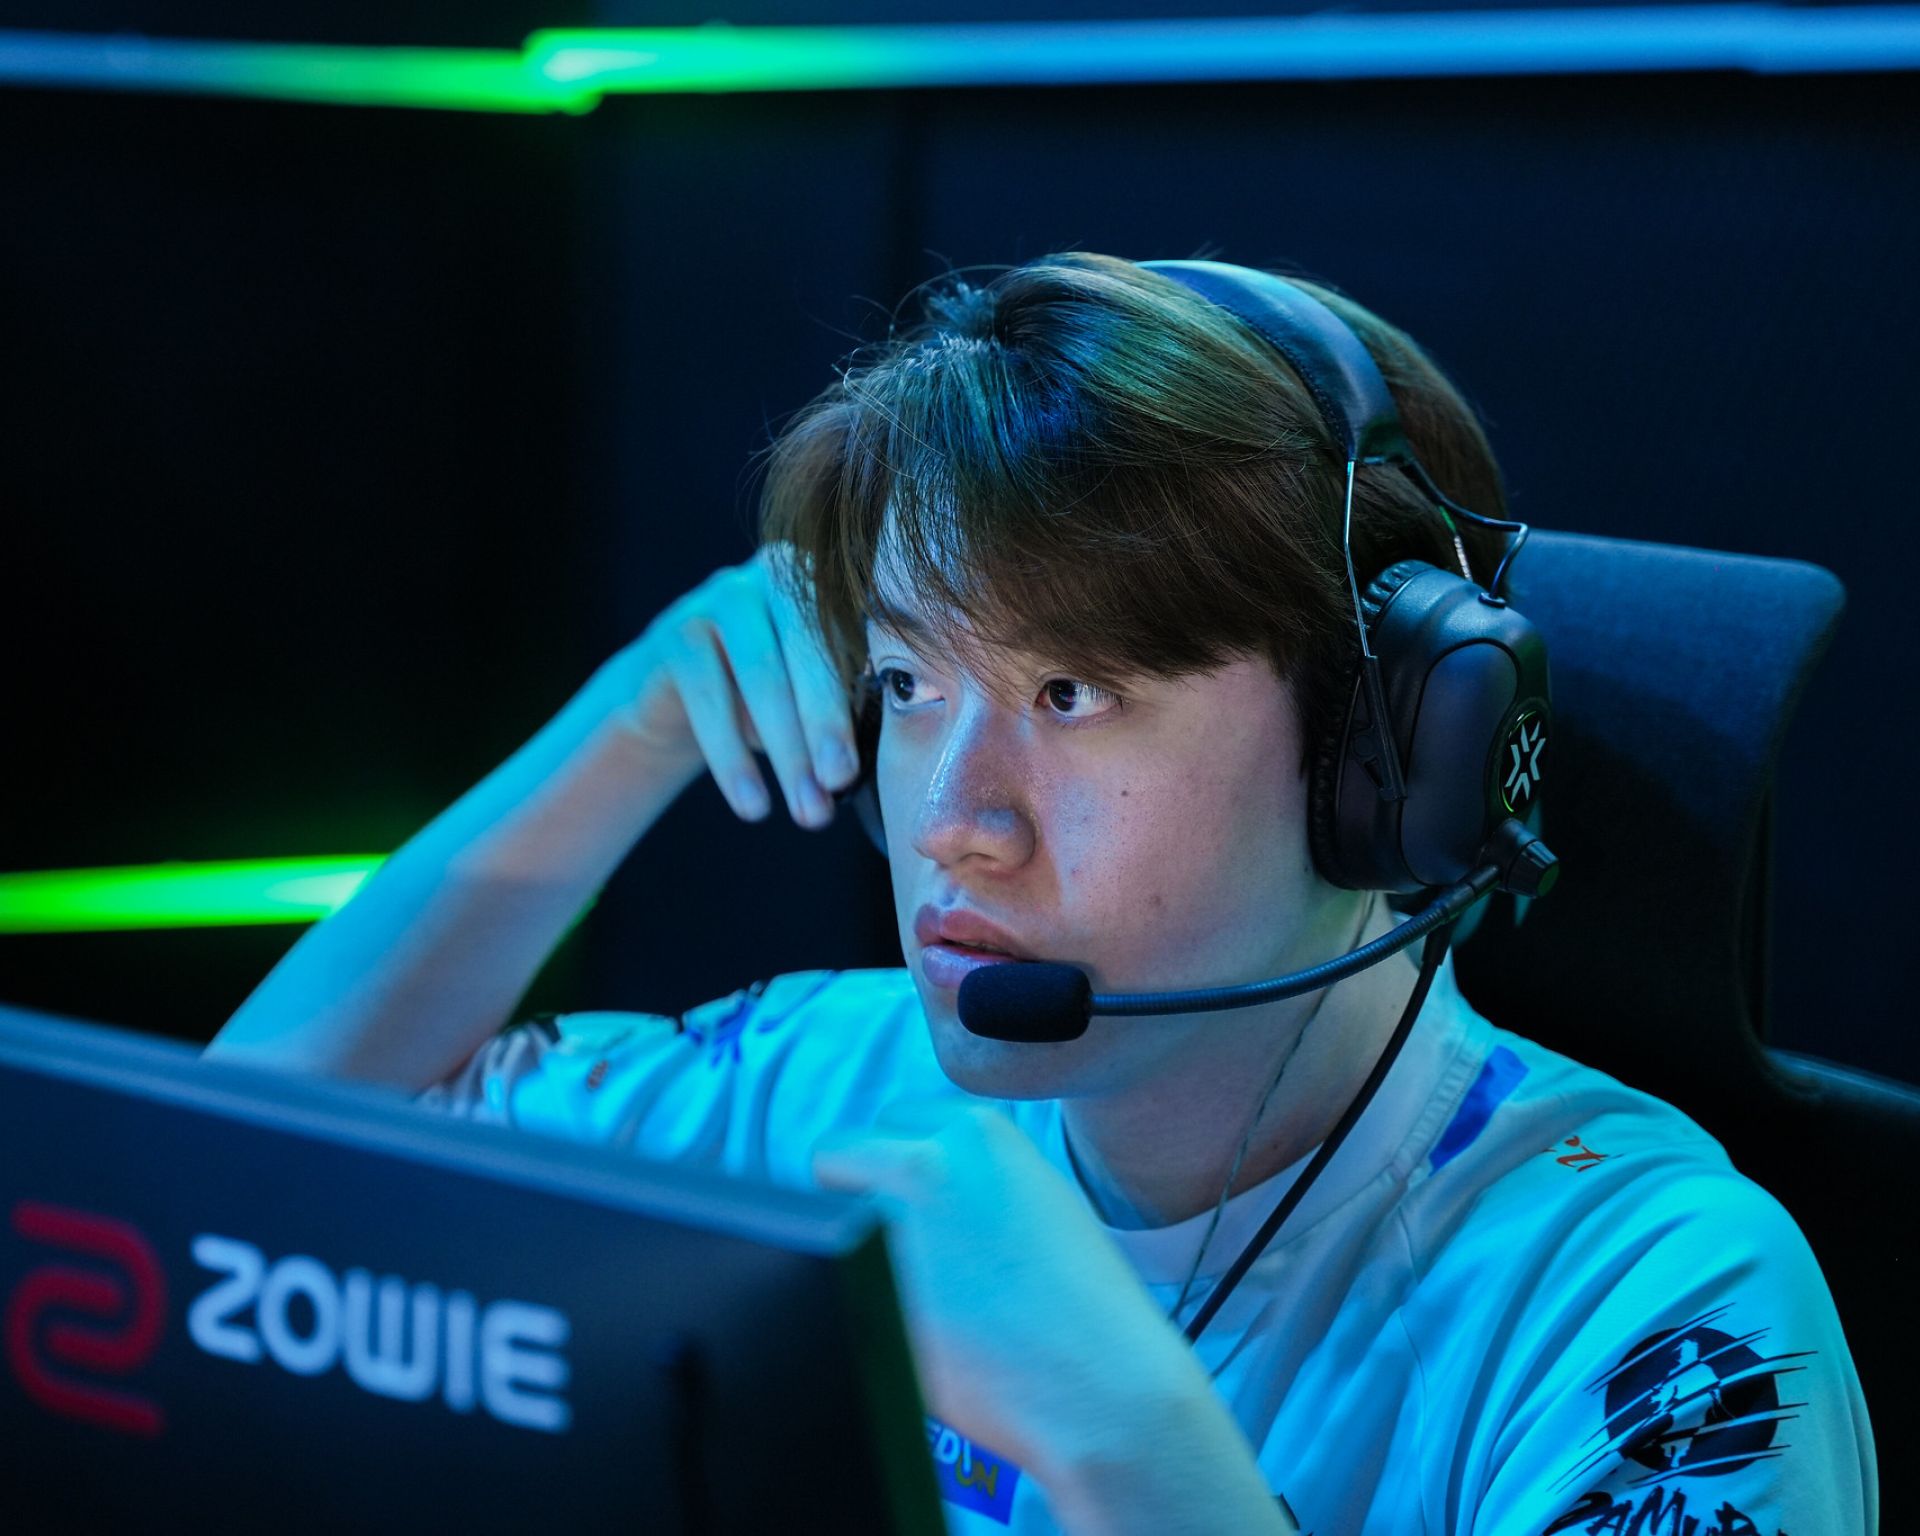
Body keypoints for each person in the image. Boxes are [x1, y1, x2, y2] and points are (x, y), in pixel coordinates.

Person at [206, 252, 1877, 1535]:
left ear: (1382, 752)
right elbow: (232, 1194)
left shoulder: (1647, 1302)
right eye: (909, 683)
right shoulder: (835, 1092)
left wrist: (1122, 1441)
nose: (950, 825)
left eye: (1071, 694)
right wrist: (633, 718)